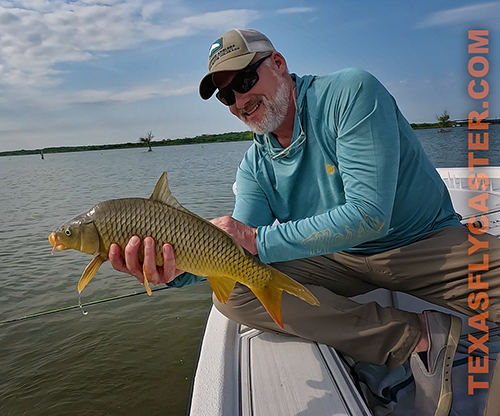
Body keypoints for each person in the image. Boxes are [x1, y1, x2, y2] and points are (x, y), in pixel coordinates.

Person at [109, 29, 500, 416]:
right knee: (237, 292)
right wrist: (173, 269)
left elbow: (369, 216)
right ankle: (418, 338)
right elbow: (230, 252)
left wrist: (255, 237)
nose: (240, 101)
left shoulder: (351, 92)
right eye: (227, 95)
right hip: (338, 256)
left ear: (278, 64)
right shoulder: (254, 165)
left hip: (423, 242)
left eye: (245, 81)